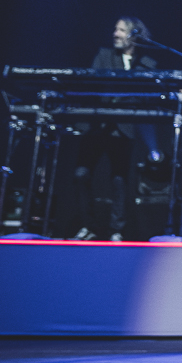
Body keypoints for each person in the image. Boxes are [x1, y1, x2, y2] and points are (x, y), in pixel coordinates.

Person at [68, 17, 157, 240]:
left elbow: (148, 97)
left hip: (123, 129)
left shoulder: (147, 63)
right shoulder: (104, 55)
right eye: (115, 29)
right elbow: (94, 83)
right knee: (81, 174)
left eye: (120, 30)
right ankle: (88, 226)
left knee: (119, 180)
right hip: (97, 125)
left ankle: (116, 229)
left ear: (134, 35)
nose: (115, 34)